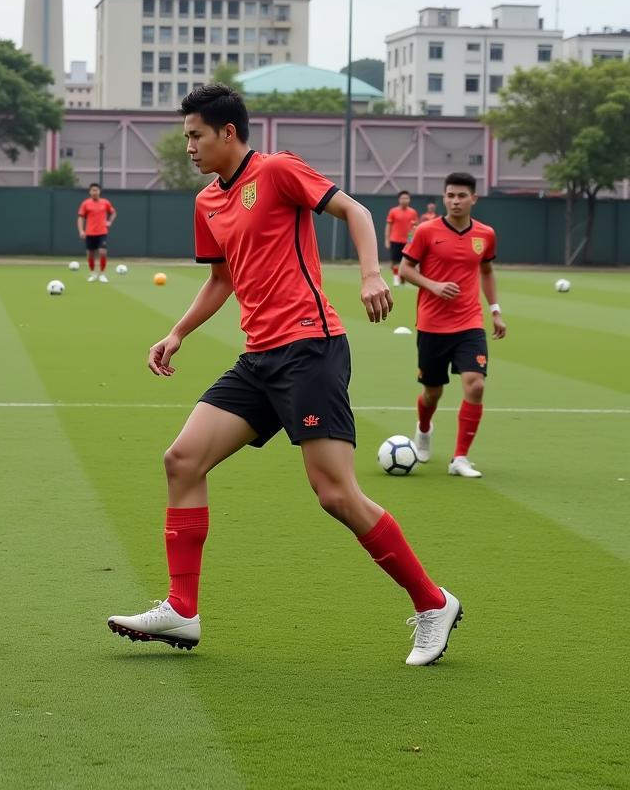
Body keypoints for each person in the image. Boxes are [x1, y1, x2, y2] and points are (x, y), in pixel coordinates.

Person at [107, 84, 462, 666]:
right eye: (186, 135)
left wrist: (372, 274)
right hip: (259, 358)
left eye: (196, 135)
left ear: (228, 132)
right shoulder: (207, 203)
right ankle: (182, 609)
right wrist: (177, 333)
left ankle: (432, 602)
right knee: (183, 460)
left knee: (334, 493)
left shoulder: (275, 170)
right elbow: (222, 279)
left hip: (310, 349)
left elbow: (355, 210)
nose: (189, 146)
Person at [400, 172, 506, 478]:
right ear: (444, 198)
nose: (455, 201)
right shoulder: (425, 231)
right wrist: (431, 285)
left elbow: (486, 271)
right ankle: (423, 428)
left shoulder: (485, 234)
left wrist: (495, 310)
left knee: (476, 383)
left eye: (461, 196)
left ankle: (460, 458)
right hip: (432, 325)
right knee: (432, 393)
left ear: (474, 198)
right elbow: (406, 269)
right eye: (450, 195)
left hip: (470, 322)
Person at [77, 183, 117, 283]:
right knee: (90, 254)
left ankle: (102, 274)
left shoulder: (105, 202)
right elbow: (80, 218)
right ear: (89, 192)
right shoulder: (85, 203)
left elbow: (113, 212)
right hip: (89, 233)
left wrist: (109, 222)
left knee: (103, 252)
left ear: (100, 191)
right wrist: (81, 230)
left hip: (102, 232)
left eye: (96, 190)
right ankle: (93, 273)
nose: (94, 192)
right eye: (92, 190)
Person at [384, 191, 419, 287]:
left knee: (407, 262)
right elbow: (388, 226)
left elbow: (414, 227)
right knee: (395, 262)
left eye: (406, 198)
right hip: (395, 240)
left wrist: (411, 240)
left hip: (408, 242)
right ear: (399, 199)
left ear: (409, 200)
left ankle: (402, 278)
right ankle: (396, 280)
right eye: (402, 198)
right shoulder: (393, 211)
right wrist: (387, 240)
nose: (404, 200)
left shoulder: (413, 212)